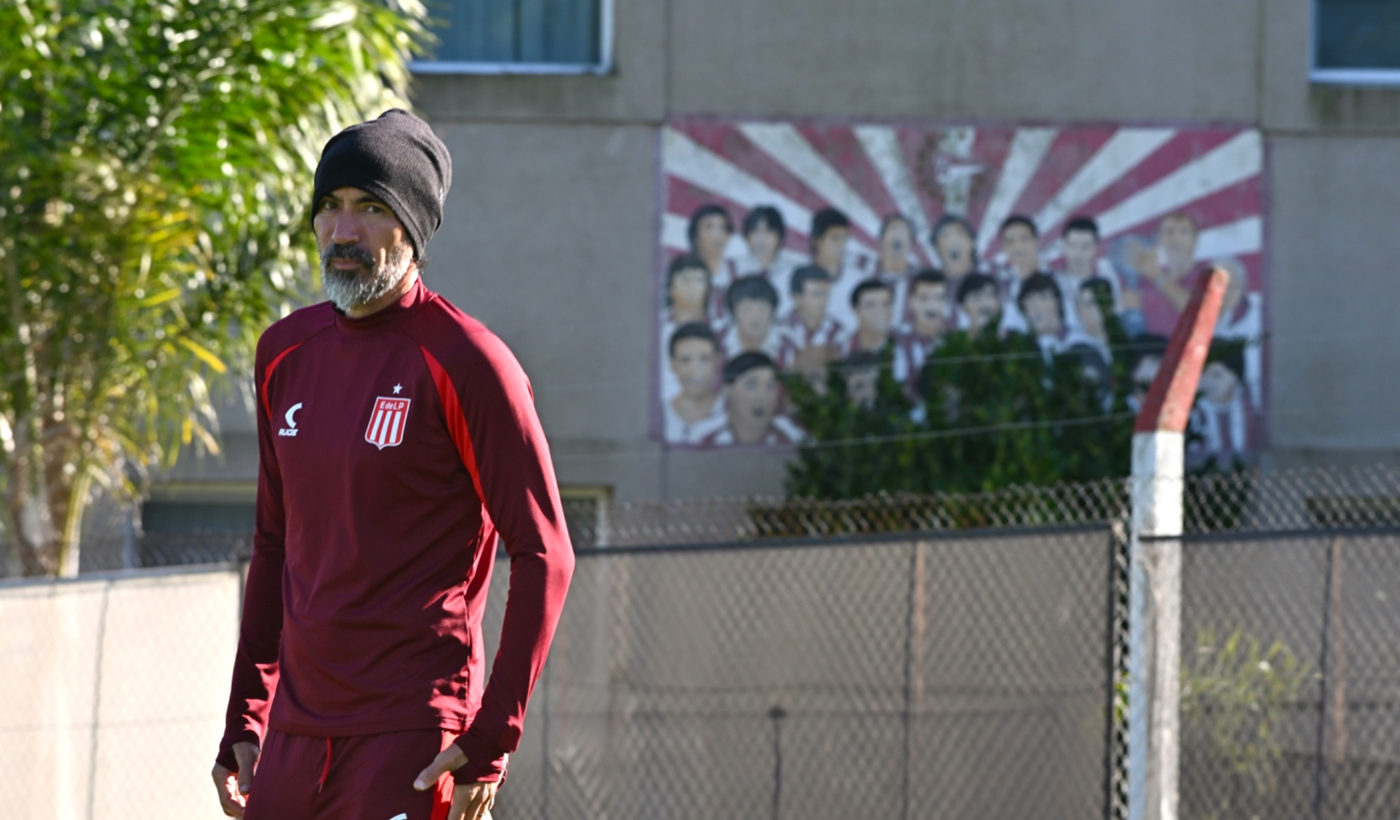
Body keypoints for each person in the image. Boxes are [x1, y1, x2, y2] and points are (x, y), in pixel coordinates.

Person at [212, 110, 575, 820]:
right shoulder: (284, 353)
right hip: (292, 732)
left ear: (414, 226)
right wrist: (245, 718)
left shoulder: (471, 363)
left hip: (410, 738)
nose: (344, 233)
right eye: (331, 208)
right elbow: (274, 544)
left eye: (372, 209)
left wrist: (493, 732)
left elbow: (545, 553)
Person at [700, 352, 804, 446]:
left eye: (770, 386)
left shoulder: (792, 437)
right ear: (727, 389)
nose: (762, 397)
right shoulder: (705, 439)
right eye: (752, 385)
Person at [808, 207, 874, 332]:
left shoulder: (859, 281)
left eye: (844, 239)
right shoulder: (795, 279)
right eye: (835, 238)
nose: (841, 245)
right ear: (816, 241)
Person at [1055, 216, 1122, 331]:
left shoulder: (1108, 278)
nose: (1078, 253)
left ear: (1096, 247)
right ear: (1064, 246)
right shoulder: (1055, 283)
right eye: (1072, 245)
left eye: (1085, 247)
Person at [665, 323, 727, 444]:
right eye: (686, 360)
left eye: (704, 358)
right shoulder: (660, 415)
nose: (695, 369)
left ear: (718, 361)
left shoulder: (732, 413)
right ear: (672, 365)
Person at [776, 265, 841, 380]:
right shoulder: (779, 331)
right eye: (816, 294)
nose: (823, 301)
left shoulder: (838, 331)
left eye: (826, 294)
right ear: (796, 297)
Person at [738, 205, 801, 316]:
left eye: (768, 231)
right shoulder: (735, 271)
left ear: (780, 237)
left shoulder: (793, 272)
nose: (761, 238)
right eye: (756, 231)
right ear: (747, 237)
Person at [893, 270, 948, 385]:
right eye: (924, 298)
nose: (932, 306)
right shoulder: (896, 342)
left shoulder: (955, 340)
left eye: (939, 298)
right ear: (911, 301)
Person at [688, 203, 740, 320]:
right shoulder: (684, 272)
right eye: (709, 227)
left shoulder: (740, 271)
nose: (717, 235)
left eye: (722, 228)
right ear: (695, 234)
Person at [996, 214, 1042, 333]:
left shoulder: (1058, 280)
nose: (1018, 247)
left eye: (1024, 239)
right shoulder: (1004, 286)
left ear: (1036, 241)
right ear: (1004, 248)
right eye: (1010, 241)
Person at [719, 274, 783, 358]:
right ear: (734, 311)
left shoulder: (789, 345)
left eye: (762, 308)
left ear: (772, 311)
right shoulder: (719, 342)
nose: (755, 316)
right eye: (747, 308)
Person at [839, 279, 896, 356]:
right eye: (870, 305)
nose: (880, 311)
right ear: (855, 310)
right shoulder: (842, 349)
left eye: (886, 304)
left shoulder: (908, 346)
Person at [1016, 272, 1067, 357]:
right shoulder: (1021, 350)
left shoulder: (1078, 343)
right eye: (1030, 300)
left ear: (1057, 302)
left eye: (1042, 298)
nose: (1036, 307)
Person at [930, 214, 978, 283]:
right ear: (936, 247)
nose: (953, 240)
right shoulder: (931, 283)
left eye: (959, 234)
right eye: (946, 235)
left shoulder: (987, 277)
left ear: (973, 242)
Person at [956, 272, 1002, 337]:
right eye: (976, 298)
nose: (984, 303)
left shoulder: (1013, 341)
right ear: (963, 306)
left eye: (989, 295)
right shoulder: (955, 343)